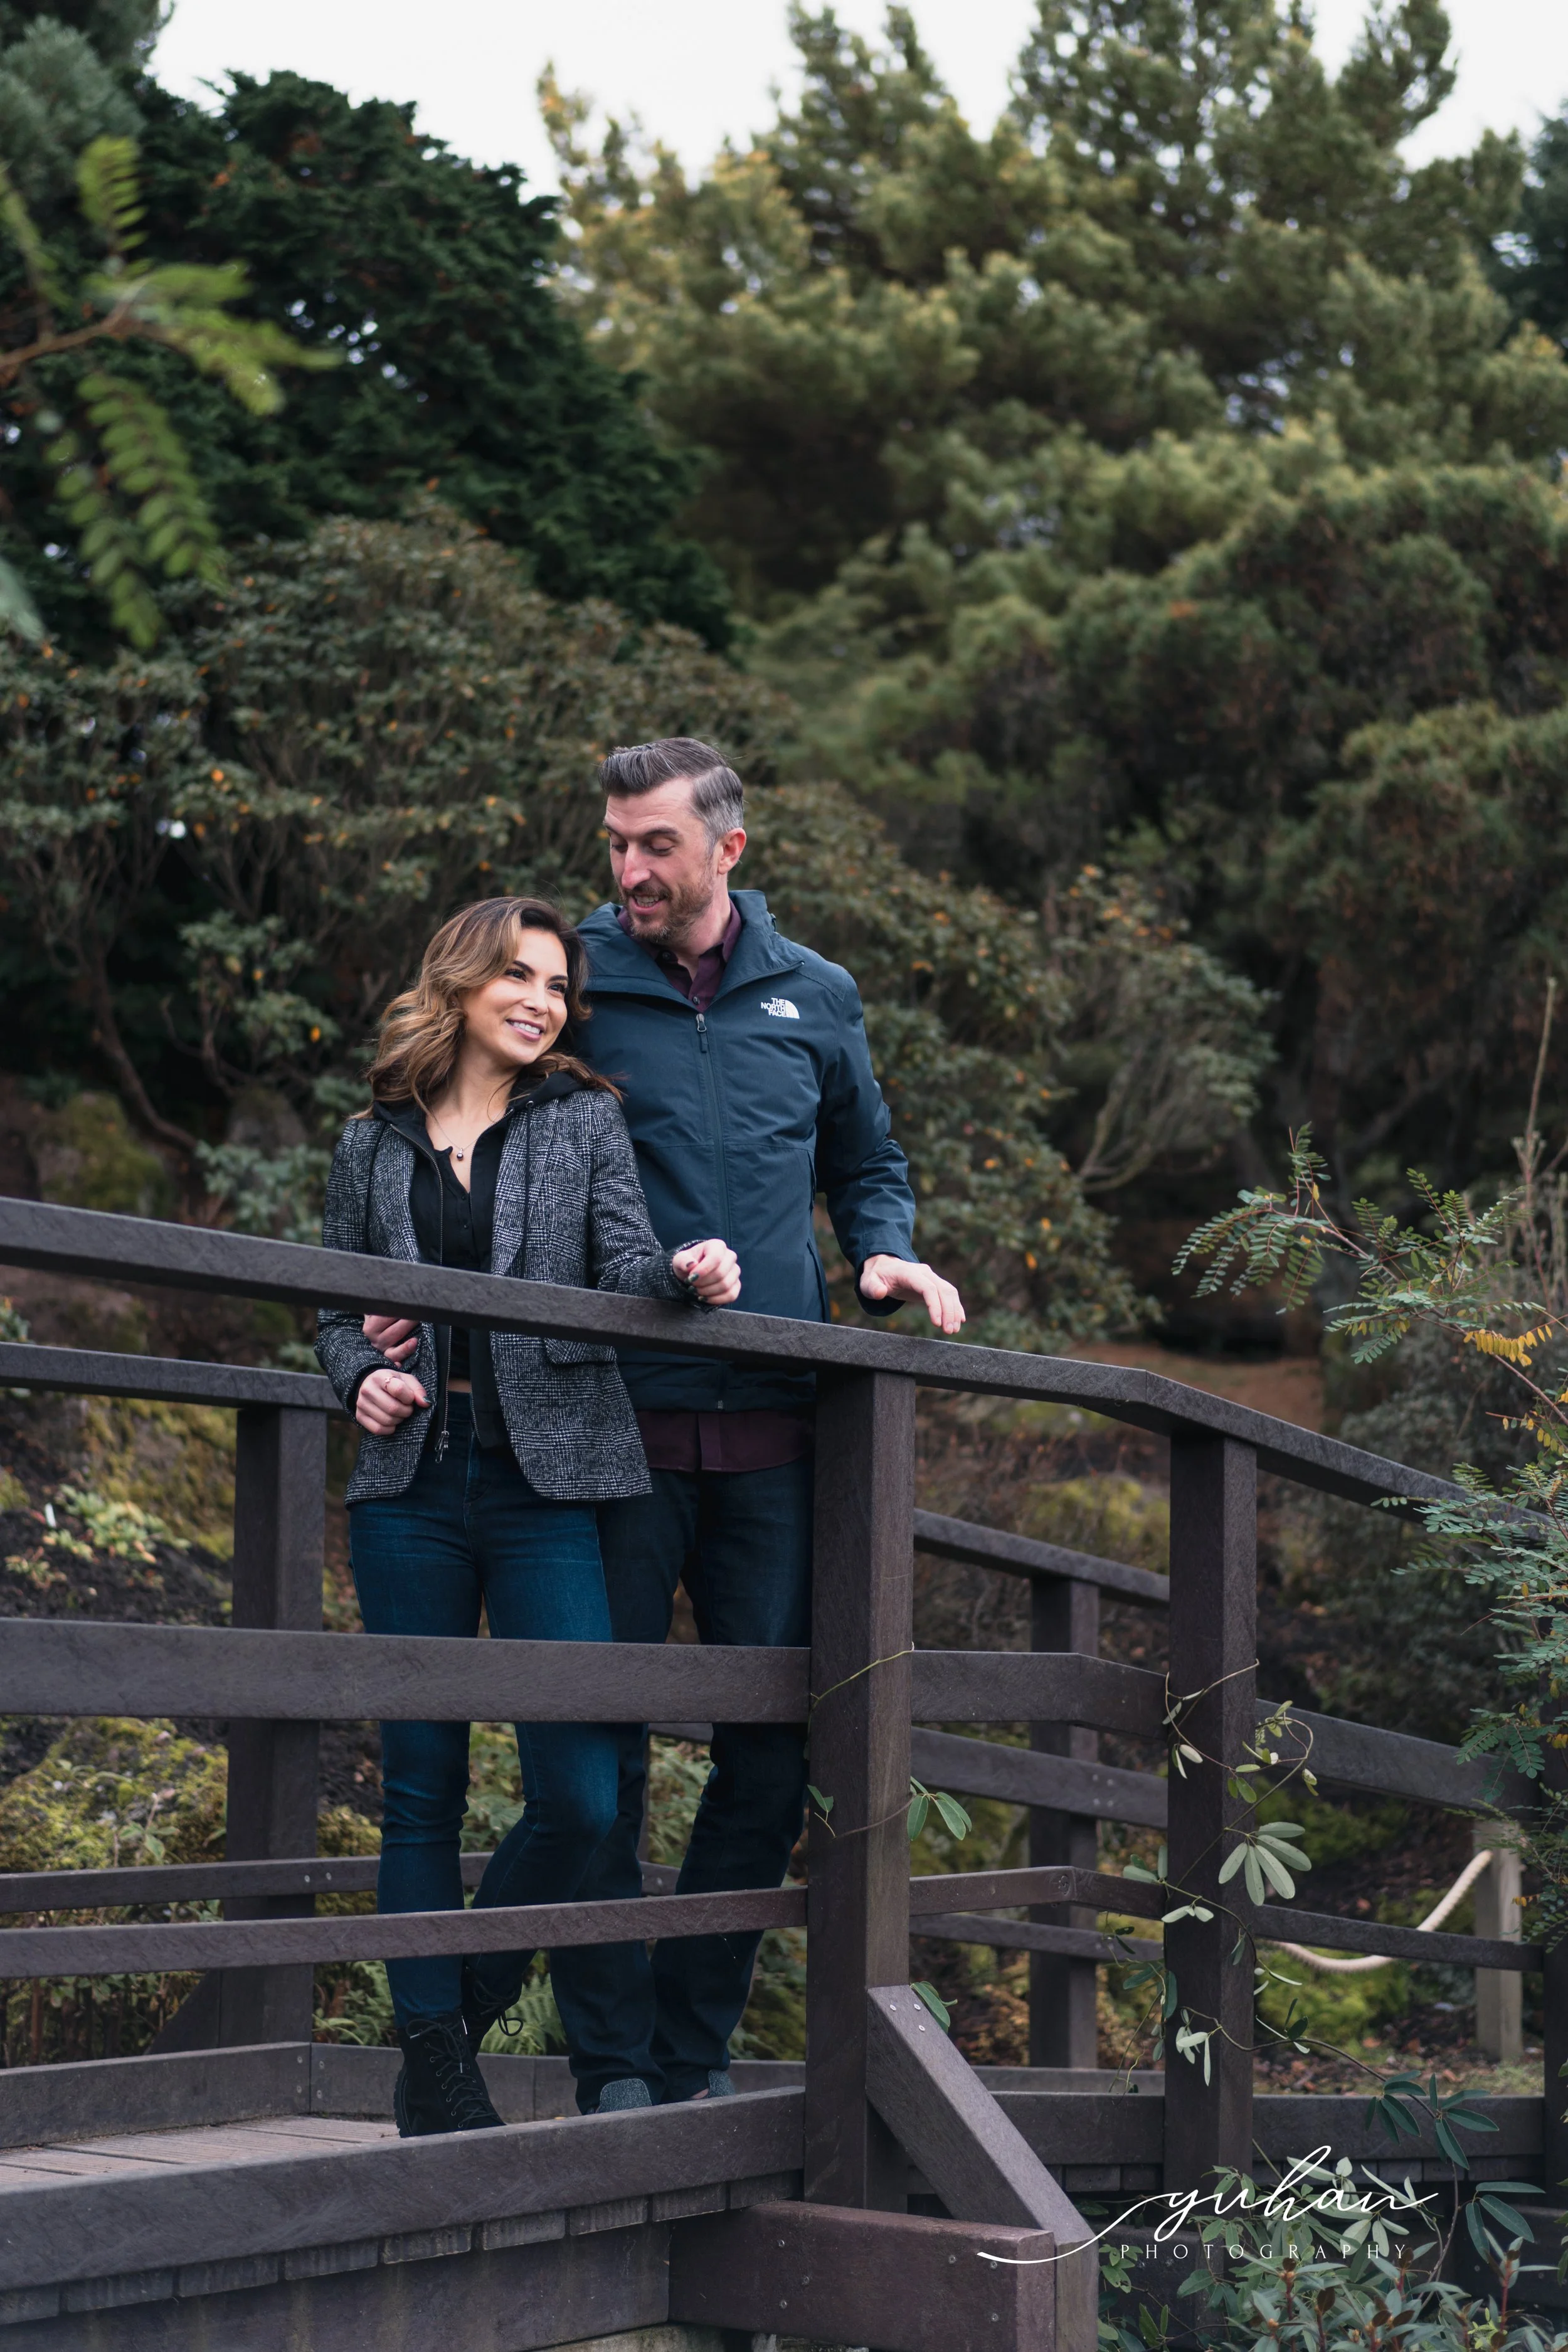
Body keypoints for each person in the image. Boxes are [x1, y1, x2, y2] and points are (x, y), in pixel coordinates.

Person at [550, 735, 966, 2112]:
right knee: (590, 1756)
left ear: (728, 848)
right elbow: (480, 1128)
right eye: (614, 844)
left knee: (768, 1757)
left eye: (653, 844)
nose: (627, 872)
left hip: (781, 1436)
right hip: (611, 1426)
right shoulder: (575, 980)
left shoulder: (817, 996)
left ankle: (688, 2057)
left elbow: (867, 1163)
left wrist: (887, 1250)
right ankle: (607, 2062)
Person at [315, 894, 739, 2137]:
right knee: (420, 1789)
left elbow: (621, 1260)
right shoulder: (368, 1142)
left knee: (583, 1793)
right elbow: (335, 1306)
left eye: (556, 984)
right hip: (409, 1487)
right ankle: (440, 2073)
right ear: (457, 982)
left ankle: (451, 2012)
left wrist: (679, 1273)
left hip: (547, 1482)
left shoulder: (580, 1123)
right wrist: (358, 1374)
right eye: (518, 973)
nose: (541, 1000)